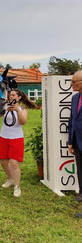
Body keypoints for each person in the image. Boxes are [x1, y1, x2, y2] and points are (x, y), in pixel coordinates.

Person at [0, 88, 37, 197]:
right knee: (3, 162)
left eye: (13, 95)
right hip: (4, 137)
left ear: (19, 97)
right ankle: (10, 179)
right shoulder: (5, 106)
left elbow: (23, 121)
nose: (11, 97)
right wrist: (4, 110)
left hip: (16, 138)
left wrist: (17, 110)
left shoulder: (23, 109)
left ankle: (17, 186)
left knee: (14, 163)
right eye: (10, 95)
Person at [68, 70, 82, 218]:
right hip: (77, 140)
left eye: (74, 82)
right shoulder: (75, 98)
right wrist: (70, 141)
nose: (71, 84)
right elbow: (72, 121)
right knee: (80, 169)